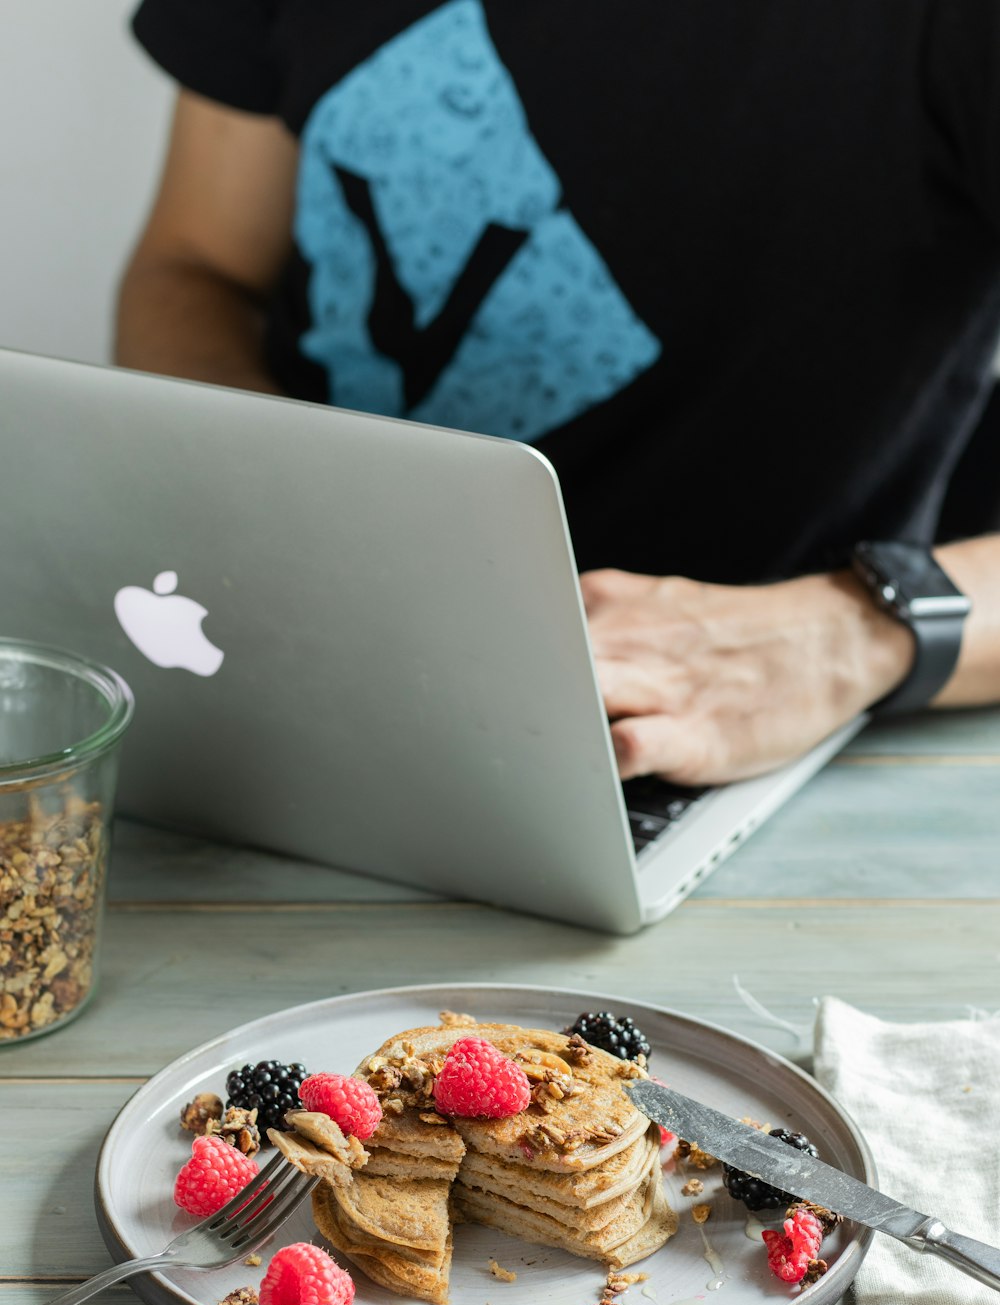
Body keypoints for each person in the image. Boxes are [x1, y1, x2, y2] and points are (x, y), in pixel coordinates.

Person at [117, 1, 1000, 787]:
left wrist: (845, 636)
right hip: (291, 675)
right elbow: (197, 266)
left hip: (723, 749)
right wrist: (261, 496)